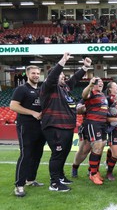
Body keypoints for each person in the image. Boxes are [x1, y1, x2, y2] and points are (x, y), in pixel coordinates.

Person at [40, 52, 92, 192]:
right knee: (57, 154)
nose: (64, 78)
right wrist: (63, 61)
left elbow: (74, 80)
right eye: (61, 76)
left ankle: (60, 177)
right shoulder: (49, 87)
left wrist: (85, 68)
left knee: (63, 153)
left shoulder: (64, 88)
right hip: (54, 126)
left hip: (67, 126)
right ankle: (54, 183)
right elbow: (52, 77)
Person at [10, 65, 46, 197]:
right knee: (26, 155)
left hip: (40, 127)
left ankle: (30, 180)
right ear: (27, 74)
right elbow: (13, 106)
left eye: (38, 73)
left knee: (37, 154)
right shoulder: (22, 89)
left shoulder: (41, 89)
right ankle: (19, 185)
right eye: (33, 73)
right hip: (26, 126)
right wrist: (32, 113)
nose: (36, 75)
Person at [81, 77, 109, 185]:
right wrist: (90, 85)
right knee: (96, 146)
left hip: (102, 124)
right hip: (93, 123)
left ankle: (95, 171)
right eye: (98, 82)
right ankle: (92, 174)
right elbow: (84, 95)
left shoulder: (102, 95)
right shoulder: (91, 92)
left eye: (102, 82)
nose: (101, 83)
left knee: (100, 147)